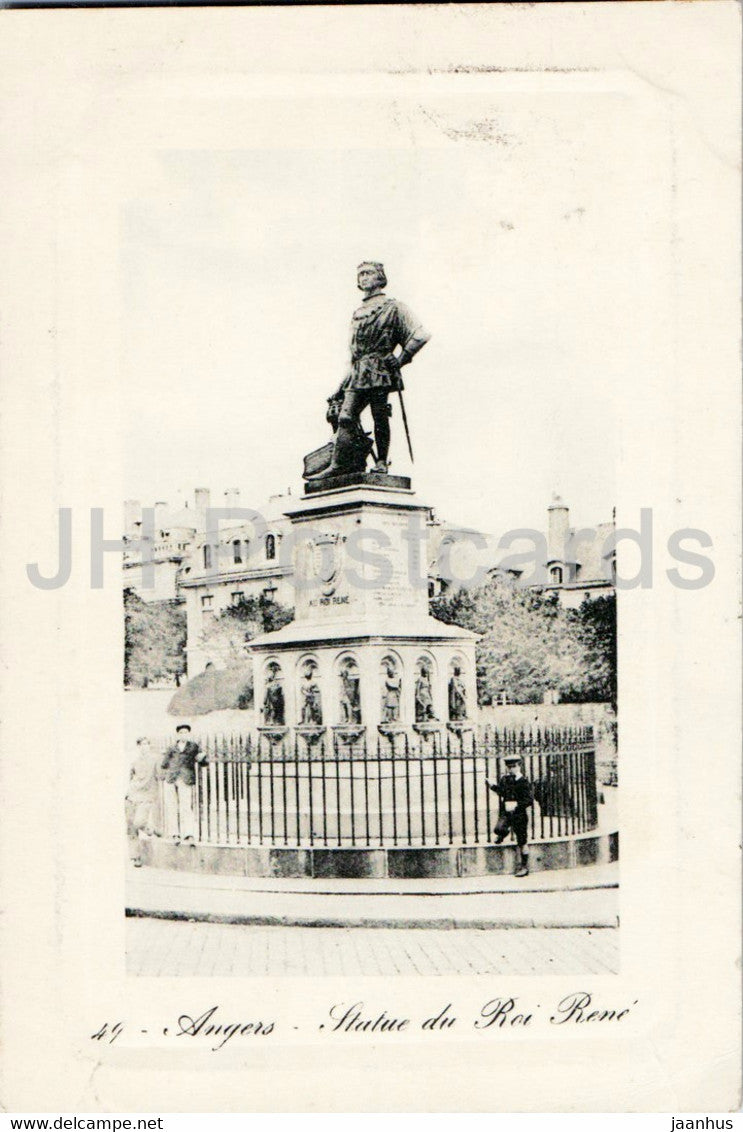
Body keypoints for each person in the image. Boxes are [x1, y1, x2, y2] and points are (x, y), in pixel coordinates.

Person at [311, 262, 430, 480]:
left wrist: (401, 359)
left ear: (380, 277)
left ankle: (382, 462)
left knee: (379, 416)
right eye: (360, 274)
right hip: (358, 372)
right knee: (345, 416)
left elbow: (420, 335)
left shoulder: (393, 307)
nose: (363, 278)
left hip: (379, 369)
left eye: (368, 273)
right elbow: (353, 357)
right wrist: (340, 386)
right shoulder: (358, 313)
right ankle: (339, 464)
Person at [486, 754, 534, 877]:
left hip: (519, 814)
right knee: (498, 829)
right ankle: (503, 834)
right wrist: (492, 786)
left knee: (522, 841)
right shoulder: (505, 779)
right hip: (506, 813)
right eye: (509, 767)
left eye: (513, 766)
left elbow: (529, 800)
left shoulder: (523, 781)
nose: (511, 769)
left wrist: (517, 805)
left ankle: (524, 867)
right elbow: (502, 791)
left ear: (519, 766)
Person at [159, 724, 207, 844]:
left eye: (186, 732)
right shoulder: (171, 748)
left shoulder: (194, 747)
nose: (183, 734)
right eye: (181, 733)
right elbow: (164, 764)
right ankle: (174, 834)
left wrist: (203, 758)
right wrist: (164, 756)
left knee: (186, 807)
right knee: (172, 806)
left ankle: (188, 834)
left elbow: (202, 762)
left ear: (189, 734)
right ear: (177, 735)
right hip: (171, 779)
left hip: (186, 779)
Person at [125, 737, 160, 867]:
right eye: (141, 744)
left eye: (146, 744)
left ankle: (151, 830)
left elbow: (160, 775)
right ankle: (136, 857)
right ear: (138, 746)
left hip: (146, 796)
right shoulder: (134, 761)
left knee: (139, 822)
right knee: (131, 828)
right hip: (132, 796)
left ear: (149, 746)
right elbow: (131, 778)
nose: (144, 747)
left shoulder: (155, 759)